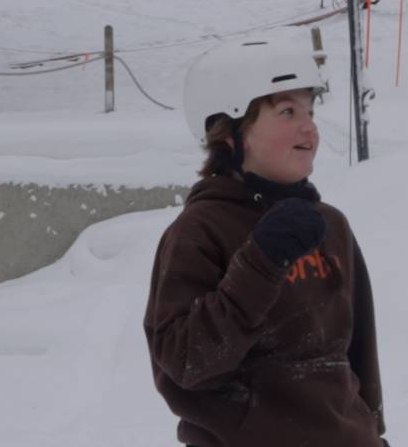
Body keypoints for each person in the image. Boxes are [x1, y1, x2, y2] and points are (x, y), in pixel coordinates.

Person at [144, 40, 387, 447]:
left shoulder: (329, 225)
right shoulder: (199, 231)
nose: (308, 127)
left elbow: (357, 353)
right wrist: (260, 263)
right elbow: (185, 364)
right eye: (287, 112)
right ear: (230, 134)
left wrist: (372, 432)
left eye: (309, 111)